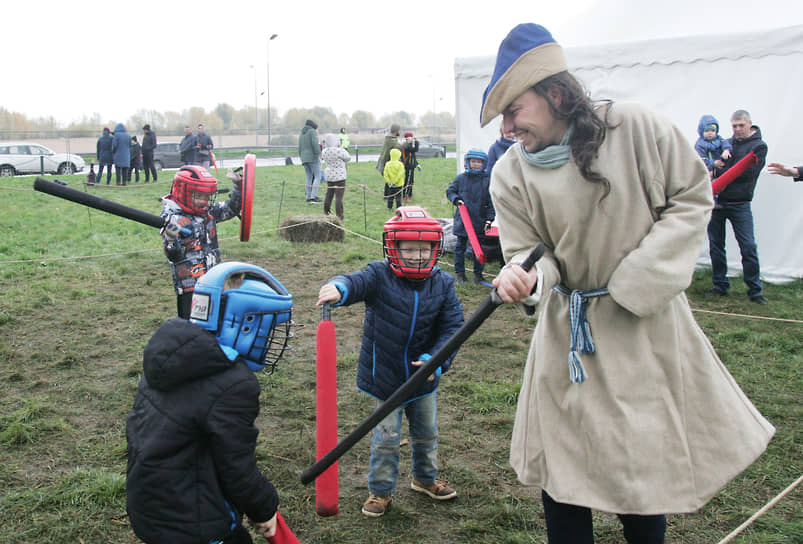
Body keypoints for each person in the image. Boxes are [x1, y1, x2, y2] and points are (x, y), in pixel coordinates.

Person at [482, 23, 774, 544]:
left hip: (640, 330)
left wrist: (640, 279)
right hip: (565, 340)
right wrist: (524, 279)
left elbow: (691, 197)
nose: (507, 127)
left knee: (638, 469)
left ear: (554, 92)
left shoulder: (635, 128)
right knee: (563, 474)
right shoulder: (509, 173)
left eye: (513, 110)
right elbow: (531, 256)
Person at [126, 260, 293, 544]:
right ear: (244, 321)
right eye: (266, 326)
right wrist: (265, 508)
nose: (269, 339)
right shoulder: (234, 383)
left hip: (148, 507)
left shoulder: (174, 352)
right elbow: (237, 466)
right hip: (193, 524)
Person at [316, 206, 464, 518]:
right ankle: (380, 491)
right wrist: (340, 288)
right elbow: (356, 282)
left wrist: (433, 362)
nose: (417, 256)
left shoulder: (443, 283)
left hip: (425, 379)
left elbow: (453, 328)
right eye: (409, 248)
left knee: (427, 433)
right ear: (392, 247)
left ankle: (424, 479)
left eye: (424, 249)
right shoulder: (379, 275)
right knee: (386, 439)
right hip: (385, 378)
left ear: (435, 248)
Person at [160, 165, 242, 319]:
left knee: (216, 322)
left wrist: (239, 186)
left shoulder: (207, 212)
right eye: (198, 196)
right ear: (183, 192)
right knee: (192, 328)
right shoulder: (173, 218)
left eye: (206, 196)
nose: (204, 201)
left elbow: (231, 209)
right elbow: (172, 254)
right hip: (190, 288)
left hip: (214, 281)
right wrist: (170, 238)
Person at [706, 109, 768, 304]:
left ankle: (755, 291)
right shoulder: (727, 144)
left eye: (741, 125)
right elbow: (712, 164)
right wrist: (712, 169)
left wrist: (718, 174)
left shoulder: (759, 146)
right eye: (734, 126)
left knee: (748, 246)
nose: (738, 129)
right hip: (717, 202)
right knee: (716, 246)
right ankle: (720, 285)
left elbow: (746, 173)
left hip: (740, 204)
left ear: (750, 124)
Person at [446, 149, 495, 285]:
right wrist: (456, 199)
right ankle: (460, 274)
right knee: (460, 248)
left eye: (479, 162)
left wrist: (489, 219)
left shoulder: (488, 180)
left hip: (479, 221)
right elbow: (450, 191)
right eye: (473, 161)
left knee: (479, 249)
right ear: (468, 162)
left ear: (484, 163)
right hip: (463, 221)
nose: (476, 164)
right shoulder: (461, 178)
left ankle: (478, 274)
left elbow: (492, 202)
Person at [320, 133, 351, 220]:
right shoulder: (339, 150)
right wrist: (341, 148)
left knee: (329, 195)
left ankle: (327, 212)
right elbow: (348, 158)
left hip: (329, 176)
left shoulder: (324, 151)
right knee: (339, 197)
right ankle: (340, 215)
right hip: (340, 176)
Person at [298, 119, 322, 203]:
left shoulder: (302, 133)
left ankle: (308, 196)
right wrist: (319, 154)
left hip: (304, 158)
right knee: (317, 176)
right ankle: (313, 196)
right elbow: (315, 144)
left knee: (308, 177)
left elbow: (299, 147)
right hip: (312, 157)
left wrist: (301, 156)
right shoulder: (312, 132)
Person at [401, 132, 419, 202]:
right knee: (408, 181)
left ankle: (410, 194)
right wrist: (417, 141)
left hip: (412, 165)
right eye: (410, 138)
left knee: (411, 181)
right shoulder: (407, 145)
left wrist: (416, 164)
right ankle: (405, 196)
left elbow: (413, 155)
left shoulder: (410, 144)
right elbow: (415, 149)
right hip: (408, 165)